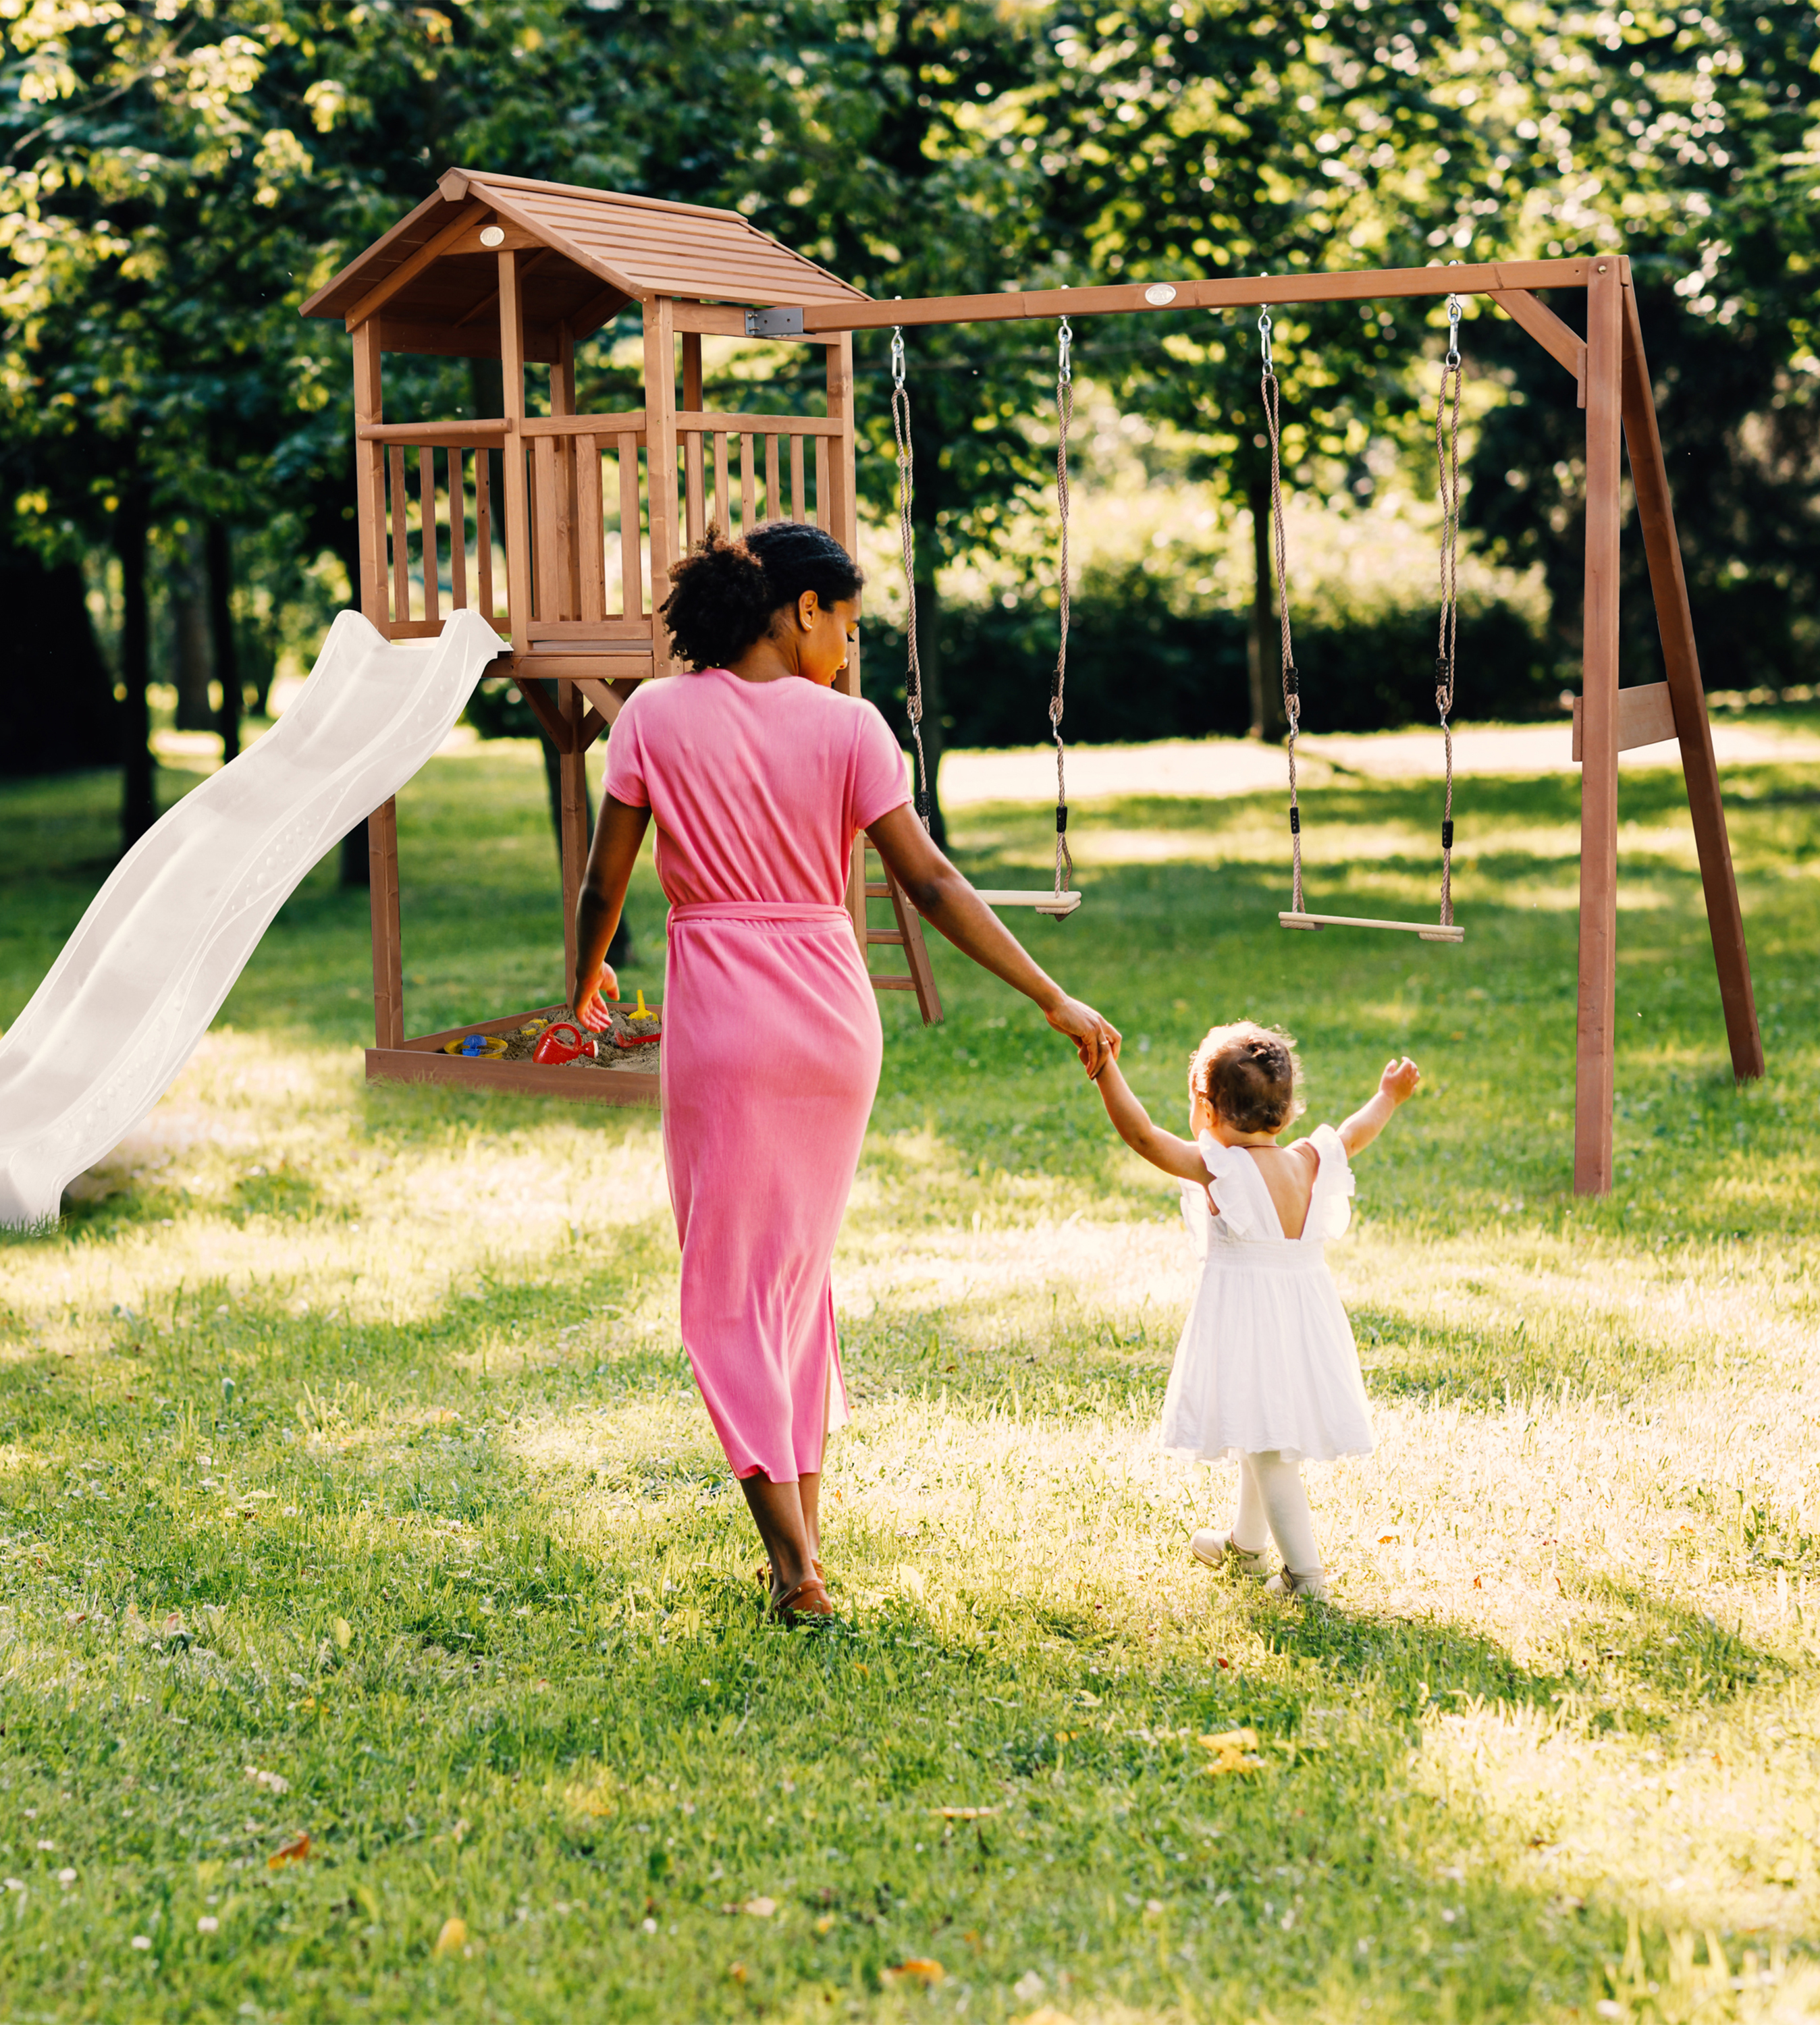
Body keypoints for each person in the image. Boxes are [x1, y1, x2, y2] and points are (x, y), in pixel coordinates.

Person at [570, 522, 1120, 1622]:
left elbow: (604, 883)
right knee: (793, 1283)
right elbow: (930, 884)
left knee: (728, 1291)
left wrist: (581, 983)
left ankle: (793, 1568)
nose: (851, 652)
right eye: (850, 626)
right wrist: (1050, 994)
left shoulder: (653, 718)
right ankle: (804, 1547)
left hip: (724, 1018)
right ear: (802, 610)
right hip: (832, 1018)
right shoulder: (852, 730)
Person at [1089, 1021, 1420, 1600]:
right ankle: (1246, 1546)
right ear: (1287, 1112)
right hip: (1303, 1321)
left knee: (1269, 1451)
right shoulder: (1309, 1160)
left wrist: (1104, 1068)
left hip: (1251, 1324)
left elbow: (1142, 1136)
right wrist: (1388, 1097)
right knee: (1256, 1428)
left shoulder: (1221, 1170)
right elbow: (1354, 1131)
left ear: (1207, 1109)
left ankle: (1305, 1577)